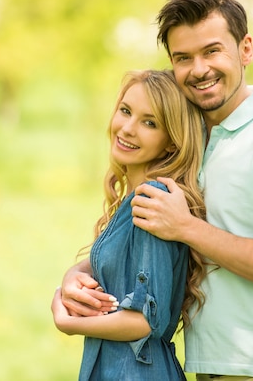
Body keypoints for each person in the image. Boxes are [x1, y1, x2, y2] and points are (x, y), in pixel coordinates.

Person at [61, 0, 253, 381]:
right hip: (206, 368)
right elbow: (155, 246)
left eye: (212, 51)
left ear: (246, 49)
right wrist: (78, 274)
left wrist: (188, 227)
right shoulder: (193, 142)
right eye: (182, 58)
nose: (199, 68)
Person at [51, 69, 207, 380]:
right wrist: (75, 274)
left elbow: (145, 322)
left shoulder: (154, 201)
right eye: (125, 111)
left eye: (150, 123)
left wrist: (70, 323)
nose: (128, 128)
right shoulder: (133, 199)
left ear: (170, 143)